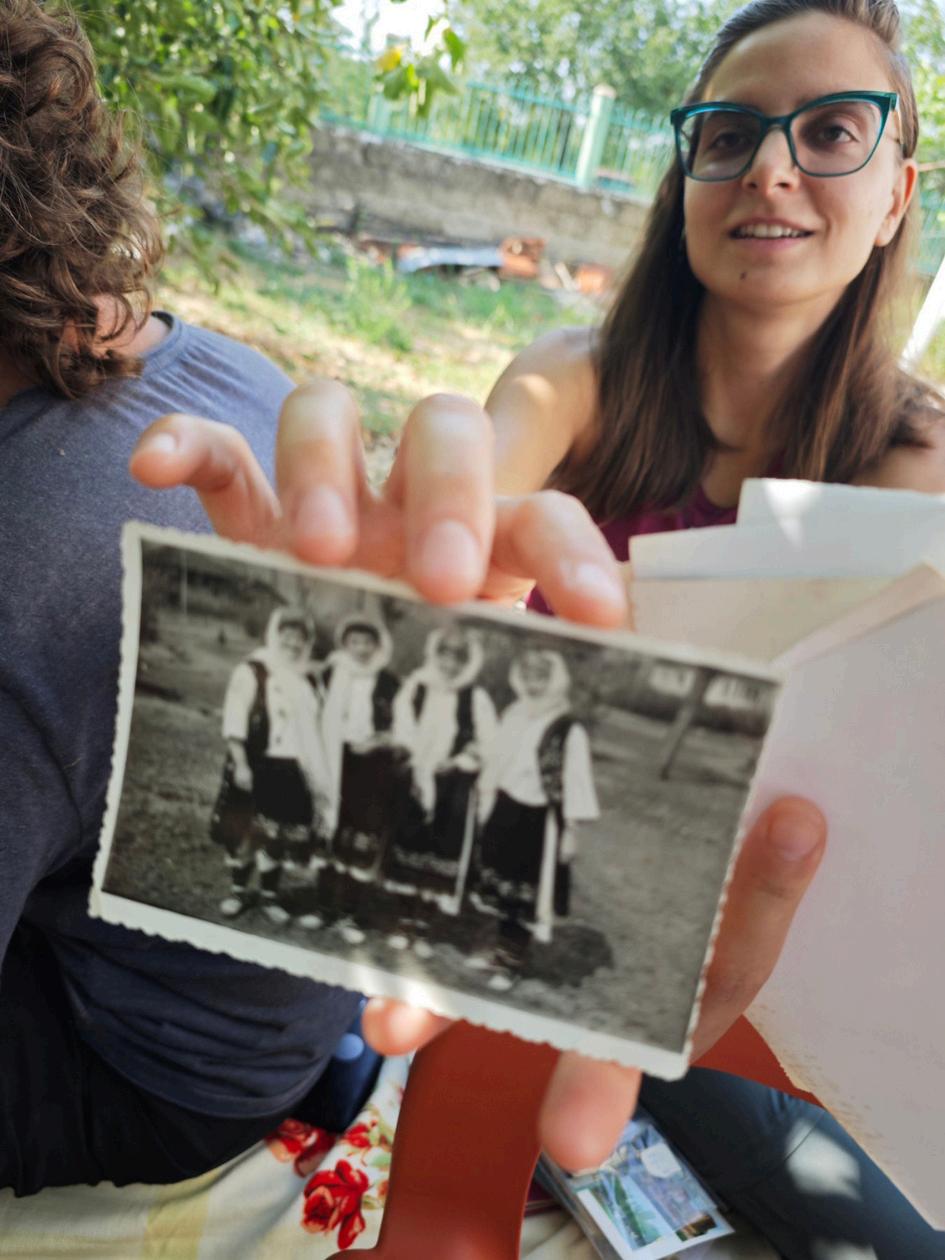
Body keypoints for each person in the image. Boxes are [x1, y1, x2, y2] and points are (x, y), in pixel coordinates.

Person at [140, 0, 945, 1248]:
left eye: (832, 130)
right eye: (729, 134)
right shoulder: (572, 381)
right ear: (687, 176)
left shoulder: (919, 477)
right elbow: (449, 538)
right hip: (513, 916)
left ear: (899, 193)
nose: (771, 167)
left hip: (772, 987)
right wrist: (359, 613)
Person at [468, 648, 598, 991]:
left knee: (525, 896)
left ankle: (510, 964)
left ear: (555, 681)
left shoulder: (568, 729)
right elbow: (497, 758)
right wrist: (486, 793)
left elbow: (576, 780)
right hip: (506, 808)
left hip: (539, 818)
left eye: (541, 678)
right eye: (527, 677)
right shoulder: (514, 714)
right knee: (501, 889)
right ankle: (496, 953)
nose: (533, 685)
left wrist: (570, 831)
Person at [384, 625, 497, 954]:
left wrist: (461, 761)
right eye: (444, 656)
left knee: (440, 853)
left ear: (467, 662)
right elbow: (403, 726)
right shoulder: (416, 686)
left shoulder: (475, 698)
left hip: (453, 783)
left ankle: (423, 927)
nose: (449, 664)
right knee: (409, 844)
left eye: (457, 659)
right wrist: (414, 760)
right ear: (433, 655)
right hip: (416, 776)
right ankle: (404, 920)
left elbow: (488, 742)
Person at [211, 606, 327, 924]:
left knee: (277, 836)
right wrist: (241, 764)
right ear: (274, 634)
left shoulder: (308, 680)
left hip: (290, 770)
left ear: (307, 642)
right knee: (244, 831)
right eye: (286, 635)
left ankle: (269, 897)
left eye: (300, 637)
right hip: (255, 763)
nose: (293, 643)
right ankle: (238, 892)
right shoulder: (253, 670)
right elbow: (235, 720)